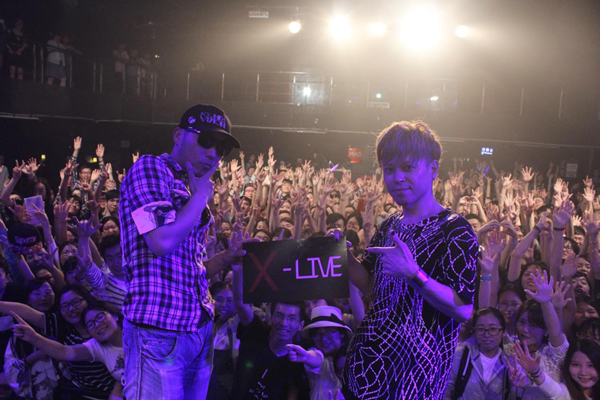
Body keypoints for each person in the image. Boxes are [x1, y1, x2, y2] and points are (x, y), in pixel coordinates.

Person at [342, 121, 478, 399]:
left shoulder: (455, 229)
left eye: (407, 167)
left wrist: (414, 275)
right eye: (389, 169)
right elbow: (370, 286)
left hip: (414, 380)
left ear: (433, 169)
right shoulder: (389, 225)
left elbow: (463, 310)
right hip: (365, 369)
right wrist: (344, 257)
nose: (397, 178)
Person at [119, 104, 245, 399]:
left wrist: (226, 258)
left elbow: (188, 267)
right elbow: (161, 242)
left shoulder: (191, 188)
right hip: (158, 328)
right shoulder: (151, 169)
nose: (213, 153)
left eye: (221, 148)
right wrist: (200, 198)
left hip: (198, 329)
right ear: (178, 135)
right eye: (206, 140)